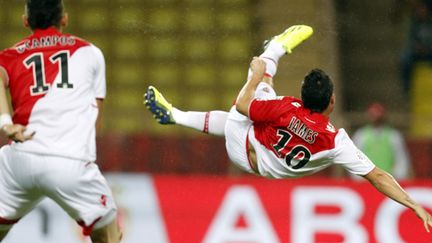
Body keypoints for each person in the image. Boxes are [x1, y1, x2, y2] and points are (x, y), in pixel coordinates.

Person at [144, 25, 432, 232]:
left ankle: (276, 48)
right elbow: (378, 176)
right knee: (251, 104)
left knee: (260, 85)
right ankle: (176, 115)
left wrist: (256, 76)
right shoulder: (335, 140)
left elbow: (243, 104)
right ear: (331, 102)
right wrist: (412, 204)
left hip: (244, 143)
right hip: (255, 164)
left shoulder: (286, 108)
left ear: (303, 95)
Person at [0, 0, 121, 242]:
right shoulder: (90, 53)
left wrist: (5, 122)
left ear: (26, 21)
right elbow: (94, 118)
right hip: (70, 163)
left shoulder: (9, 57)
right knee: (109, 233)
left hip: (20, 161)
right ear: (64, 18)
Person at [352, 102, 413, 179]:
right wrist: (358, 177)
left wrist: (398, 176)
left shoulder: (393, 135)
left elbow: (401, 158)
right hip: (367, 179)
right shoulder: (361, 135)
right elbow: (355, 157)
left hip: (388, 180)